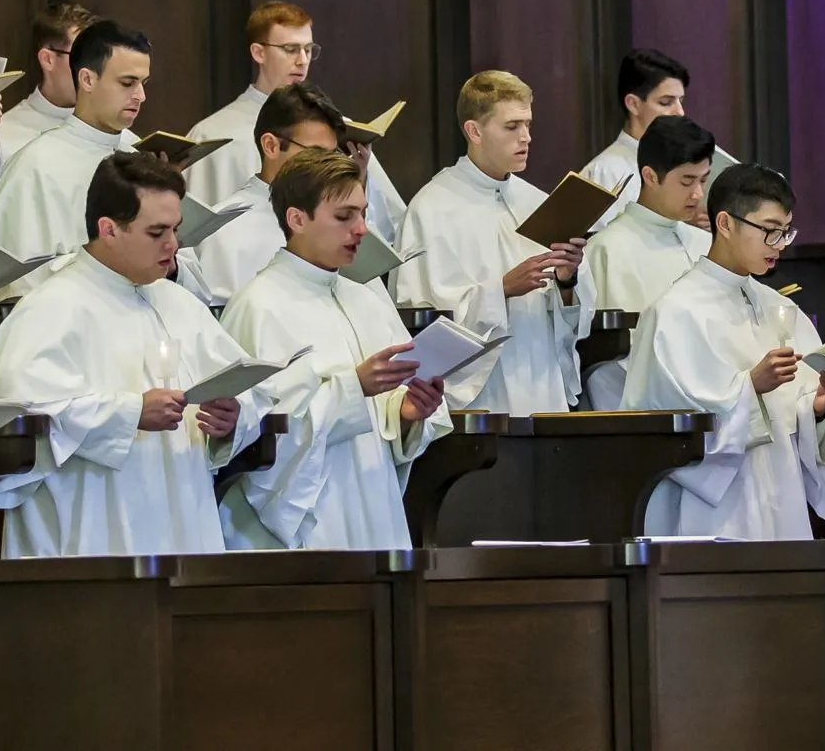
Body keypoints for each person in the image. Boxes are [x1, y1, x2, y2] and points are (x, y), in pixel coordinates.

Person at [0, 152, 270, 557]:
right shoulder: (52, 307)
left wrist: (233, 418)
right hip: (93, 527)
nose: (174, 245)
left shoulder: (181, 305)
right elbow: (16, 411)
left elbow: (249, 388)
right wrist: (130, 413)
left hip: (181, 517)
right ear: (109, 229)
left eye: (176, 230)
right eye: (157, 232)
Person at [217, 149, 450, 550]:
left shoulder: (367, 300)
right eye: (344, 217)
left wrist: (407, 413)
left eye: (362, 213)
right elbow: (255, 435)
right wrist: (353, 388)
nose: (361, 229)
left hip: (373, 503)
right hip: (311, 519)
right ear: (297, 219)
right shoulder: (259, 306)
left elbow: (392, 419)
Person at [623, 164, 825, 538]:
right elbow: (661, 425)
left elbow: (793, 413)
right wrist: (750, 386)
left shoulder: (778, 306)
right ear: (725, 223)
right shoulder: (676, 311)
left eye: (785, 232)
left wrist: (819, 409)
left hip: (780, 491)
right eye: (769, 231)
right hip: (715, 506)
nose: (779, 245)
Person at [392, 70, 591, 415]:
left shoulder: (540, 202)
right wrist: (501, 290)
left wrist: (567, 280)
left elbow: (572, 318)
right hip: (482, 396)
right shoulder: (432, 208)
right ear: (475, 131)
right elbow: (417, 317)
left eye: (528, 124)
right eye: (512, 127)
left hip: (541, 382)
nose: (526, 137)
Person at [0, 19, 213, 303]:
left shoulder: (141, 156)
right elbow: (17, 289)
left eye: (143, 83)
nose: (141, 96)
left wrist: (169, 260)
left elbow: (191, 281)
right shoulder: (35, 166)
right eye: (127, 83)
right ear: (88, 79)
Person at [182, 0, 408, 243]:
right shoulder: (212, 133)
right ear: (258, 52)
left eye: (308, 49)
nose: (302, 60)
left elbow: (388, 225)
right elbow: (196, 233)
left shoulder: (339, 128)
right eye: (290, 49)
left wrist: (359, 176)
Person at [581, 114, 716, 408]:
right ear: (651, 176)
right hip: (643, 412)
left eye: (703, 180)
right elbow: (606, 358)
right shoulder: (607, 249)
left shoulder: (706, 243)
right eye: (687, 181)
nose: (698, 194)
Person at [192, 81, 355, 302]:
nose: (325, 166)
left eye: (332, 154)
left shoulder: (342, 222)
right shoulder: (224, 230)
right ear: (271, 146)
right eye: (315, 153)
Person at [581, 49, 733, 229]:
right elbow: (603, 244)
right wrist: (681, 221)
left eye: (681, 101)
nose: (680, 112)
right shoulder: (605, 172)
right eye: (666, 102)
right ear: (634, 104)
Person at [0, 1, 101, 155]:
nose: (93, 71)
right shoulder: (4, 136)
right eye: (83, 56)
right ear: (47, 59)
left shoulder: (115, 132)